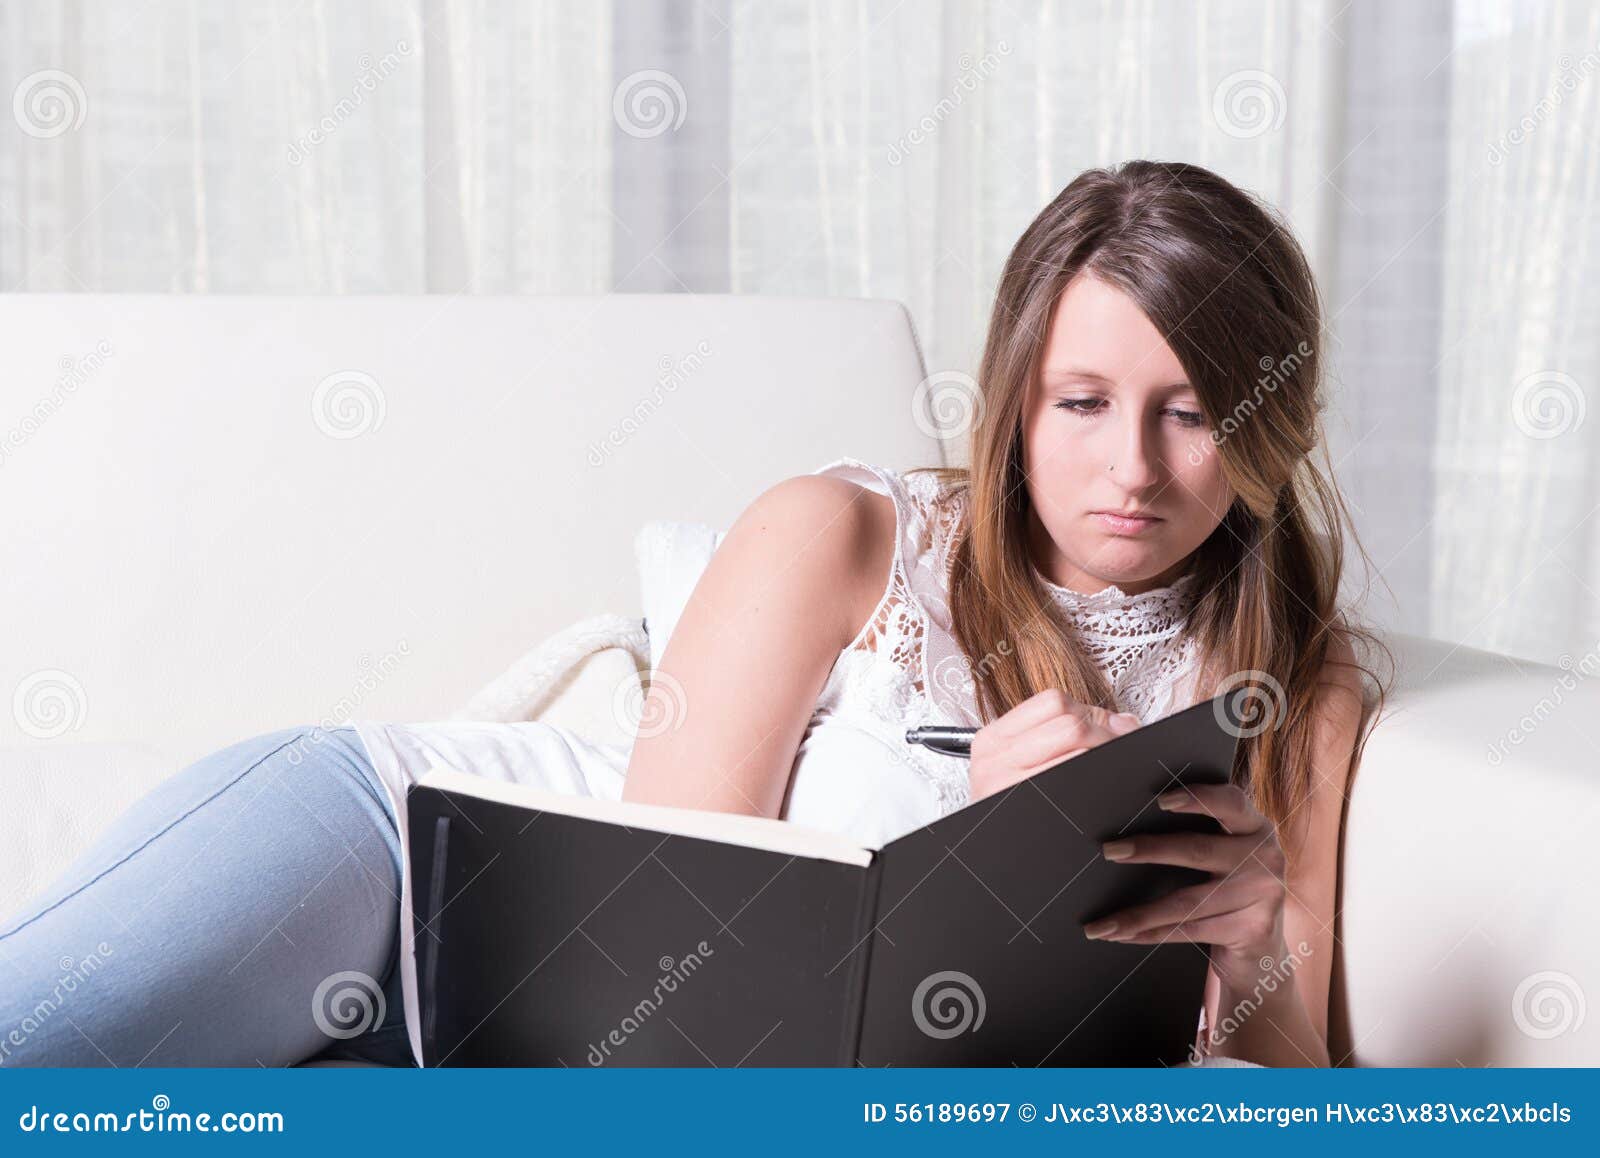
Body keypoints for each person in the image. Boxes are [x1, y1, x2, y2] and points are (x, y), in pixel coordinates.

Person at [0, 159, 1387, 1069]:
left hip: (507, 1058)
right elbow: (640, 943)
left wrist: (1253, 943)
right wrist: (984, 851)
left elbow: (1296, 1086)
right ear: (1016, 398)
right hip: (394, 860)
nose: (1132, 467)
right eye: (1082, 403)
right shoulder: (845, 536)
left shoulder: (1299, 693)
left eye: (1192, 411)